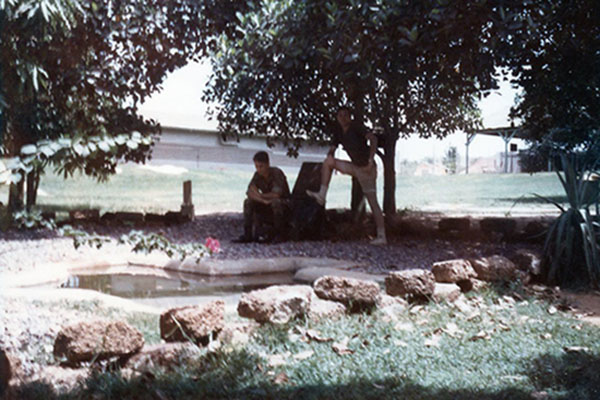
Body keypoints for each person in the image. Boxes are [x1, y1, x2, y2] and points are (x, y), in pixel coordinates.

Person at [307, 106, 387, 245]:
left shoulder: (357, 127)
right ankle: (322, 195)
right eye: (340, 115)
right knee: (328, 162)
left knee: (373, 202)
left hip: (366, 169)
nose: (343, 118)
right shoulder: (338, 131)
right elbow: (332, 148)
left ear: (350, 117)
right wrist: (331, 153)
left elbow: (373, 139)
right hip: (354, 166)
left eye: (346, 115)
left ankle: (382, 236)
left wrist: (370, 161)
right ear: (337, 117)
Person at [235, 151, 290, 243]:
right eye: (256, 167)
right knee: (248, 202)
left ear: (267, 164)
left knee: (276, 202)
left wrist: (260, 195)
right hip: (267, 203)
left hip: (284, 204)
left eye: (261, 166)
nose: (259, 169)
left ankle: (279, 234)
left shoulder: (276, 173)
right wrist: (262, 200)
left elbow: (276, 194)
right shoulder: (257, 175)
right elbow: (250, 192)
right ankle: (247, 234)